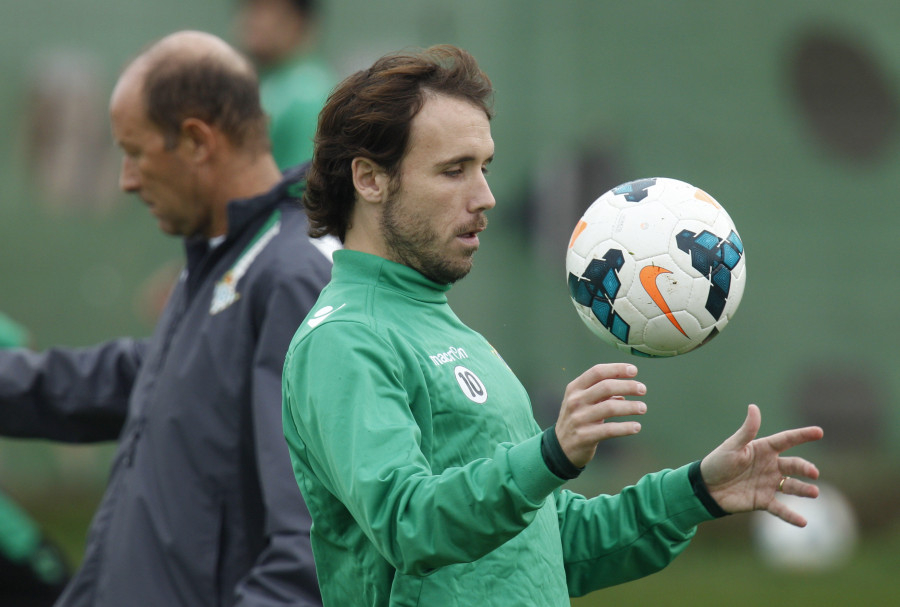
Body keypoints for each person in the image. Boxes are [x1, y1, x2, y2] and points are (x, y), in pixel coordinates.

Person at [281, 45, 824, 606]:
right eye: (453, 170)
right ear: (370, 180)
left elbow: (552, 542)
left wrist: (696, 491)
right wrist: (550, 456)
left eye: (484, 167)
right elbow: (407, 523)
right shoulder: (343, 339)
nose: (486, 197)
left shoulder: (447, 331)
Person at [0, 31, 331, 606]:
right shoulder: (218, 259)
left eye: (135, 152)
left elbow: (310, 547)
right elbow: (126, 379)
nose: (127, 180)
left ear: (197, 141)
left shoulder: (288, 277)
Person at [235, 0, 336, 170]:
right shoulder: (270, 82)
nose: (249, 20)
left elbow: (303, 188)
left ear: (298, 19)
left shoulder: (309, 94)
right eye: (248, 7)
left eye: (263, 9)